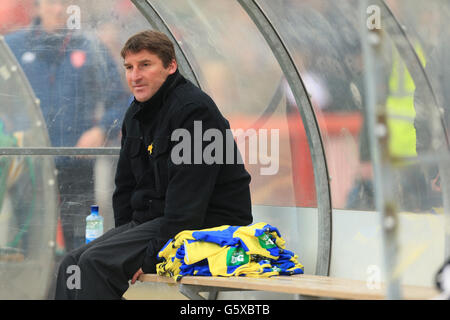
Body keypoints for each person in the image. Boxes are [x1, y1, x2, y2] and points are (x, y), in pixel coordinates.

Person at [54, 30, 253, 299]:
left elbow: (188, 206)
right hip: (155, 221)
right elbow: (124, 187)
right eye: (129, 67)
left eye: (145, 65)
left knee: (95, 264)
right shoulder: (136, 111)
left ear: (171, 66)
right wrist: (122, 243)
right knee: (71, 265)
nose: (135, 76)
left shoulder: (195, 112)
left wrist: (146, 258)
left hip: (210, 226)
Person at [5, 0, 130, 252]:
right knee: (31, 245)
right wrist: (10, 134)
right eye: (52, 3)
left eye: (65, 3)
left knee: (83, 243)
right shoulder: (12, 47)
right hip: (31, 164)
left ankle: (80, 289)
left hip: (78, 163)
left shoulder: (91, 47)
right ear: (37, 8)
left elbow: (121, 100)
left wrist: (100, 130)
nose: (59, 9)